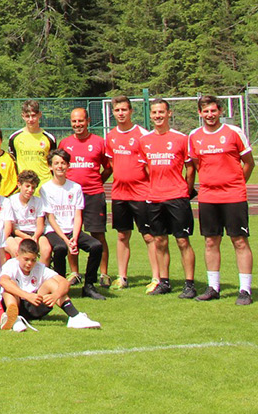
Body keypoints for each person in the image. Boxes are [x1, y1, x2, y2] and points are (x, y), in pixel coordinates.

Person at [187, 94, 255, 304]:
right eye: (205, 111)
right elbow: (199, 165)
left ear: (220, 111)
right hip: (208, 197)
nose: (210, 115)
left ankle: (245, 290)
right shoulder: (194, 136)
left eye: (213, 111)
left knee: (239, 241)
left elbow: (249, 163)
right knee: (210, 241)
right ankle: (213, 287)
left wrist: (236, 183)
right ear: (200, 113)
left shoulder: (234, 132)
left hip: (234, 195)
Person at [138, 99, 197, 297]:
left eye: (161, 112)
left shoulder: (181, 138)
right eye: (154, 112)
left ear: (169, 113)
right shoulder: (144, 140)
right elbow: (146, 168)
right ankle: (164, 282)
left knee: (182, 241)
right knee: (160, 241)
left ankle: (189, 284)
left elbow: (190, 168)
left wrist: (185, 191)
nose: (157, 116)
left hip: (177, 197)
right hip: (154, 198)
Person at [40, 149, 106, 300]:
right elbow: (50, 218)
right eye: (56, 163)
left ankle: (89, 286)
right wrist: (65, 239)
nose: (60, 166)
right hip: (54, 232)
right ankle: (60, 286)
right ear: (50, 166)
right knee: (60, 248)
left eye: (63, 163)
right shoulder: (46, 188)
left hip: (72, 232)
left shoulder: (75, 187)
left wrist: (75, 238)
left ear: (68, 165)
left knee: (96, 246)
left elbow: (78, 215)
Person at [0, 240, 101, 330]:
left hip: (34, 305)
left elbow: (64, 282)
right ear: (17, 255)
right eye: (26, 259)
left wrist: (55, 296)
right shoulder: (11, 264)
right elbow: (3, 281)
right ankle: (14, 320)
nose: (29, 263)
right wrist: (27, 295)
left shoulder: (40, 268)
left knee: (52, 283)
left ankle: (75, 316)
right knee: (10, 286)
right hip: (17, 303)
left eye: (33, 260)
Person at [104, 95, 151, 290]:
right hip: (119, 194)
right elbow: (113, 164)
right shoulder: (111, 136)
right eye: (117, 110)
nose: (121, 113)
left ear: (131, 111)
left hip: (141, 193)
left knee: (149, 236)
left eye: (124, 109)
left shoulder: (143, 134)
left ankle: (157, 277)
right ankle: (122, 277)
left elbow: (150, 165)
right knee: (122, 235)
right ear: (113, 112)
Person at [58, 107, 109, 286]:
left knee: (98, 235)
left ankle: (103, 274)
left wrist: (97, 181)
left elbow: (108, 167)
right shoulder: (64, 143)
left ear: (87, 121)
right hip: (71, 197)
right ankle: (75, 273)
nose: (77, 124)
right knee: (72, 234)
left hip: (94, 194)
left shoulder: (99, 142)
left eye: (81, 121)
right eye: (74, 121)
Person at [7, 100, 54, 191]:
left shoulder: (49, 138)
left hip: (45, 186)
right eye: (27, 116)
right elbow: (13, 163)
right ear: (23, 116)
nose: (30, 119)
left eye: (33, 115)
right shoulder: (14, 138)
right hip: (25, 188)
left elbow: (53, 164)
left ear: (39, 114)